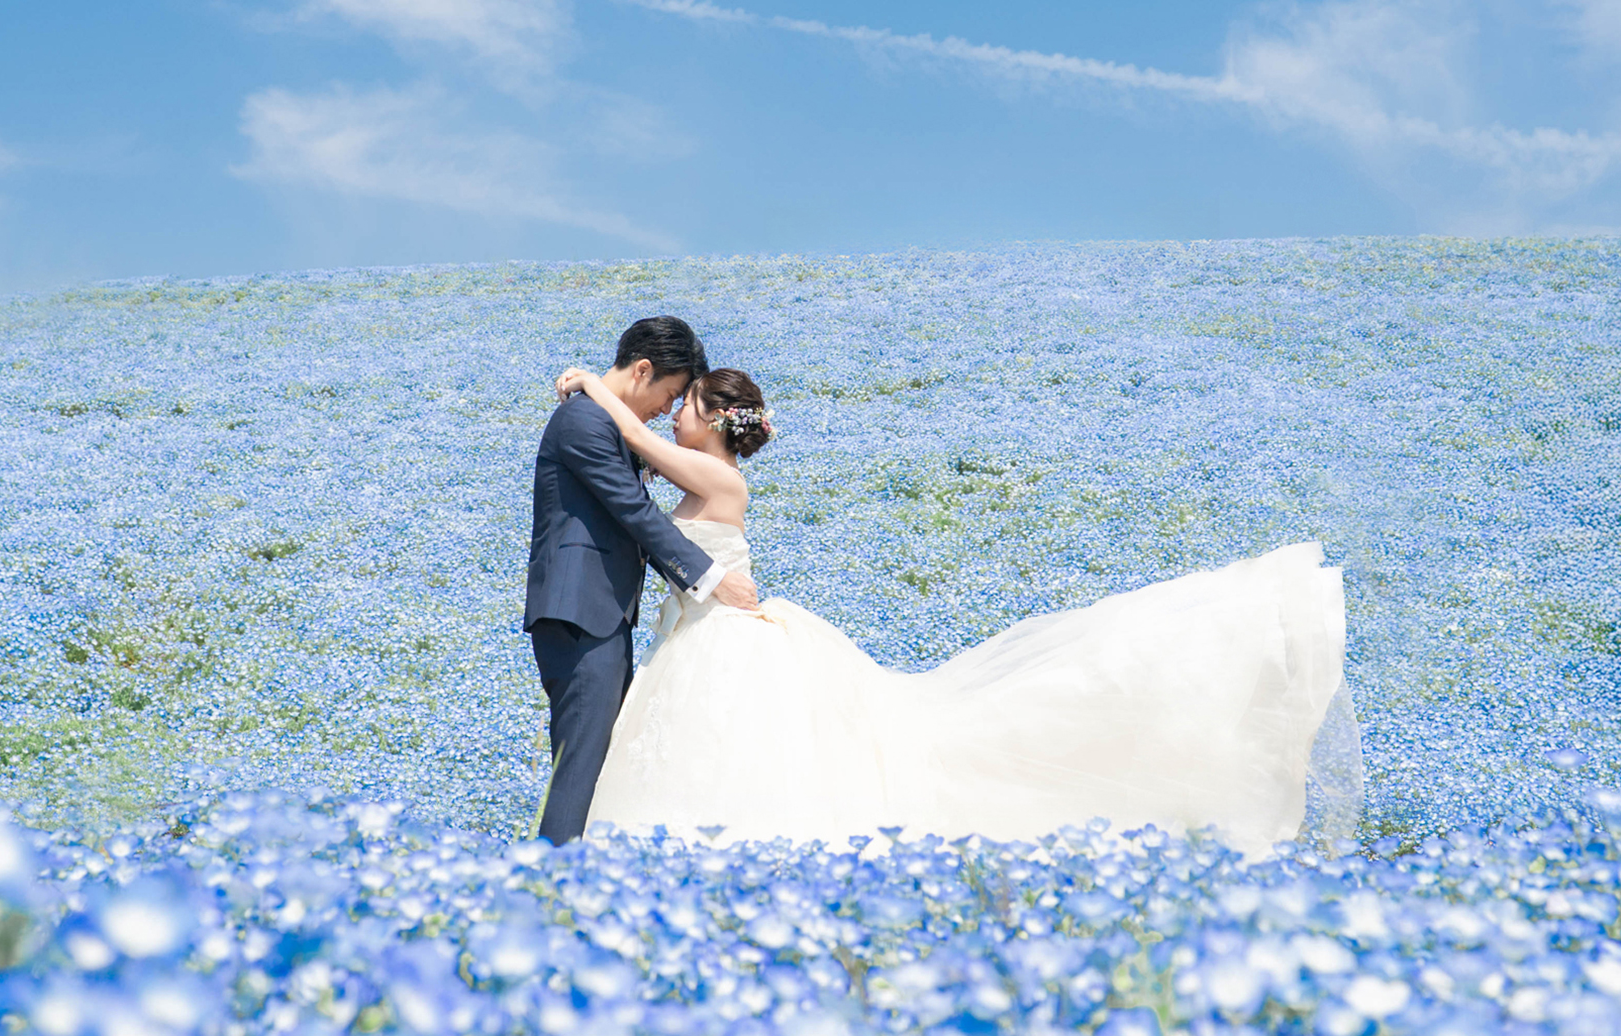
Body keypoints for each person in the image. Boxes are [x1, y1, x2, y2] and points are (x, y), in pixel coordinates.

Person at [553, 363, 1362, 860]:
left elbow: (633, 438)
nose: (673, 417)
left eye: (685, 406)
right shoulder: (697, 477)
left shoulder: (719, 480)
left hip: (726, 639)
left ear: (715, 420)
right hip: (704, 636)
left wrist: (596, 387)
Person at [524, 317, 760, 846]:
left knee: (596, 759)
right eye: (671, 394)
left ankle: (569, 879)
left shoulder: (598, 419)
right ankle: (552, 884)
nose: (667, 411)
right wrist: (711, 576)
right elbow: (633, 510)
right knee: (582, 762)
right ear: (644, 370)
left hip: (600, 613)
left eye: (683, 401)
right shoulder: (585, 421)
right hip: (579, 611)